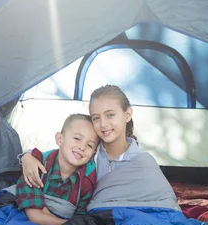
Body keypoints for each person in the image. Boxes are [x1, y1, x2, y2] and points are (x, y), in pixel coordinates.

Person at [21, 85, 180, 212]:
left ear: (127, 114)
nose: (103, 124)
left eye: (110, 115)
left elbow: (164, 201)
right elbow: (59, 155)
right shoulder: (90, 151)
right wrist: (27, 156)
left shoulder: (141, 161)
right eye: (96, 118)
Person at [14, 113, 99, 225]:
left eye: (89, 145)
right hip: (25, 218)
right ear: (60, 139)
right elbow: (35, 216)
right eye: (77, 138)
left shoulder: (87, 180)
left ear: (93, 153)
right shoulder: (36, 165)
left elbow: (80, 216)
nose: (82, 147)